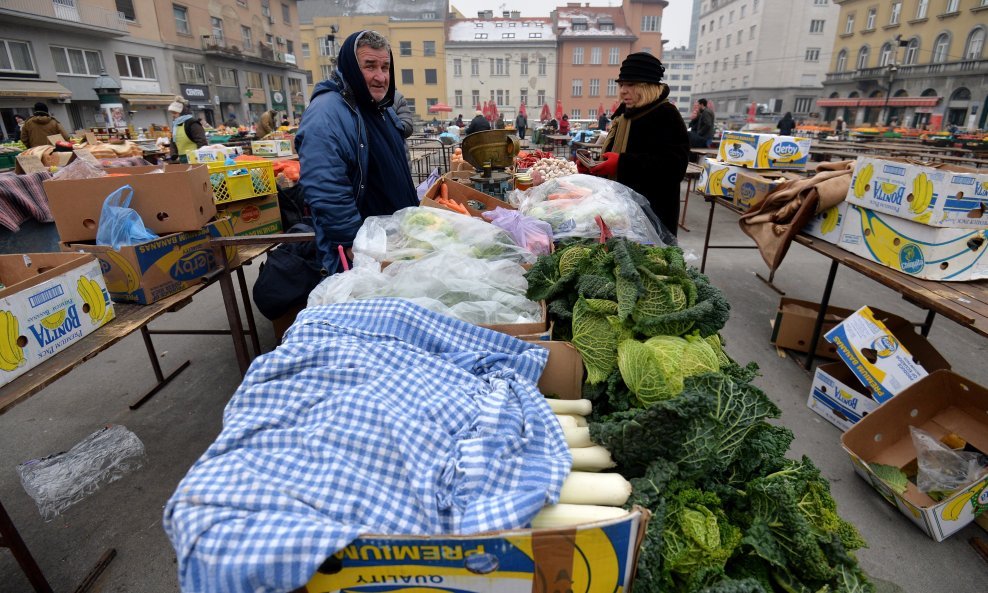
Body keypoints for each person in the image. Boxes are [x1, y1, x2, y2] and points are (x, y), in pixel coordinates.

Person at [295, 30, 418, 274]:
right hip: (364, 252)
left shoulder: (381, 109)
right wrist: (352, 243)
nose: (380, 77)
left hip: (392, 245)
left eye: (385, 67)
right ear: (351, 67)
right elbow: (325, 186)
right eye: (370, 66)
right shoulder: (326, 112)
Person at [583, 52, 689, 237]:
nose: (623, 90)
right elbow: (612, 155)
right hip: (620, 212)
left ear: (647, 86)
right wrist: (593, 167)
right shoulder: (623, 115)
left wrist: (623, 163)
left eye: (630, 84)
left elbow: (674, 167)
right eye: (622, 84)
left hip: (653, 216)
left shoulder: (667, 115)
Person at [167, 97, 208, 162]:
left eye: (175, 113)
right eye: (172, 113)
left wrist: (200, 157)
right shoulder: (176, 125)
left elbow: (202, 141)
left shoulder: (192, 123)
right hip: (182, 159)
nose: (172, 115)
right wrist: (174, 155)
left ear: (182, 112)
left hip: (195, 158)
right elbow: (173, 141)